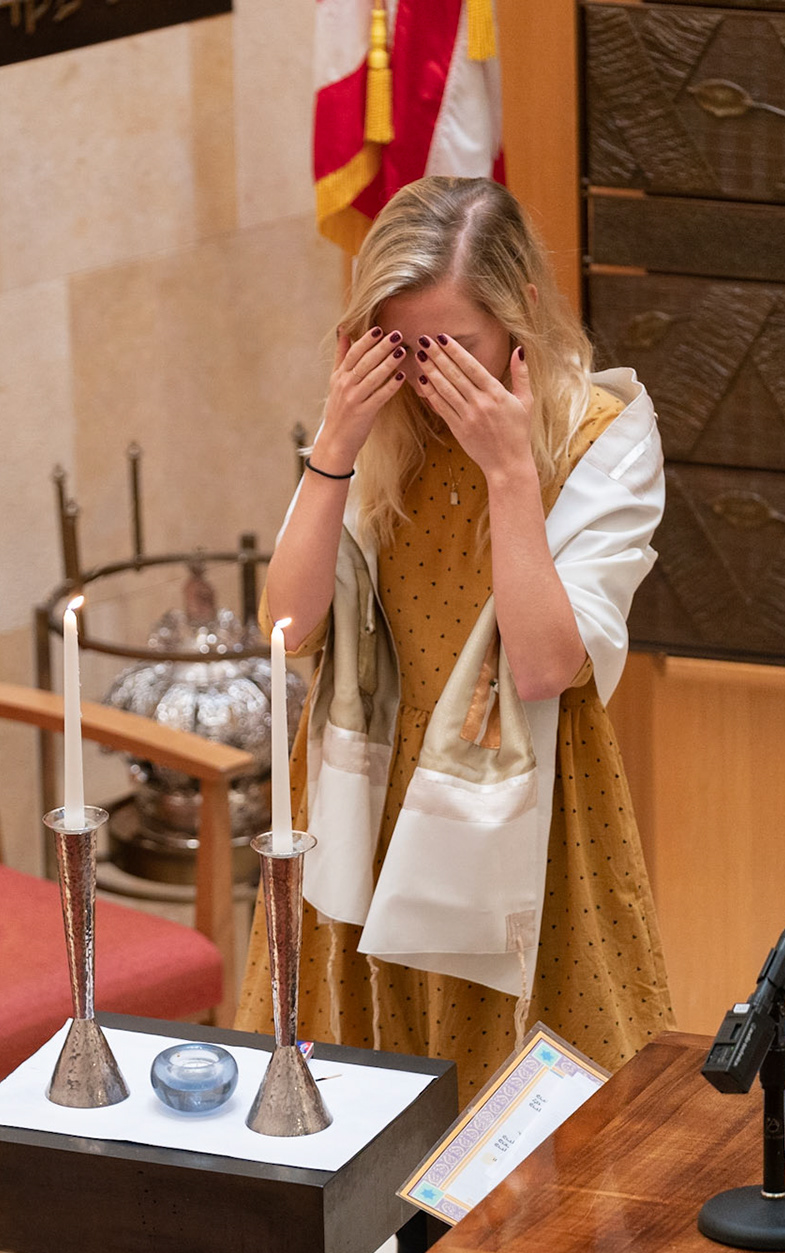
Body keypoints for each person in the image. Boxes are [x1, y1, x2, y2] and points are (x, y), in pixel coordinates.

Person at [239, 176, 673, 1111]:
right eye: (399, 347)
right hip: (361, 805)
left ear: (518, 319)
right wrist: (338, 443)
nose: (426, 378)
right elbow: (287, 630)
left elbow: (546, 663)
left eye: (453, 349)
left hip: (525, 820)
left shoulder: (605, 436)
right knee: (352, 1142)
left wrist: (511, 470)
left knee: (530, 1164)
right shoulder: (372, 425)